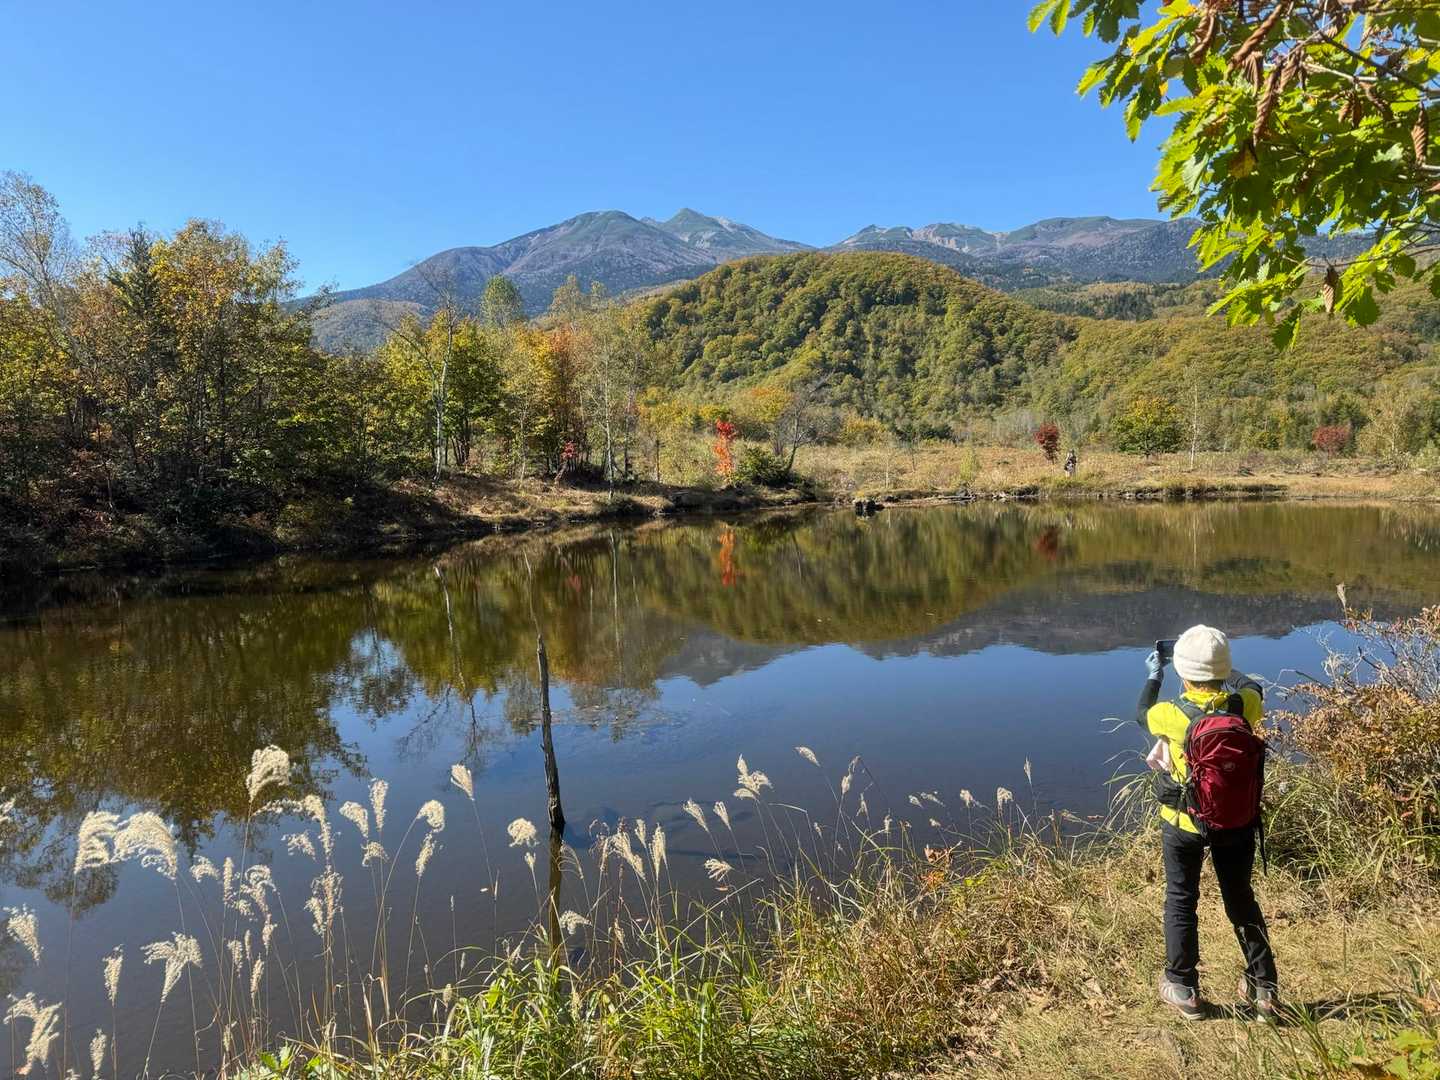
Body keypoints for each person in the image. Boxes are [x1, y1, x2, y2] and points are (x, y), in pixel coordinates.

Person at [1138, 624, 1278, 1021]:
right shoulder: (1244, 706)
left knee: (1182, 898)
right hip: (1236, 821)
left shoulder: (1170, 714)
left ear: (1183, 673)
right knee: (1241, 899)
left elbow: (1141, 712)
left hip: (1182, 822)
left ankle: (1183, 988)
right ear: (1224, 669)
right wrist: (1226, 671)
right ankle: (1264, 990)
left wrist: (1154, 675)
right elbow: (1252, 686)